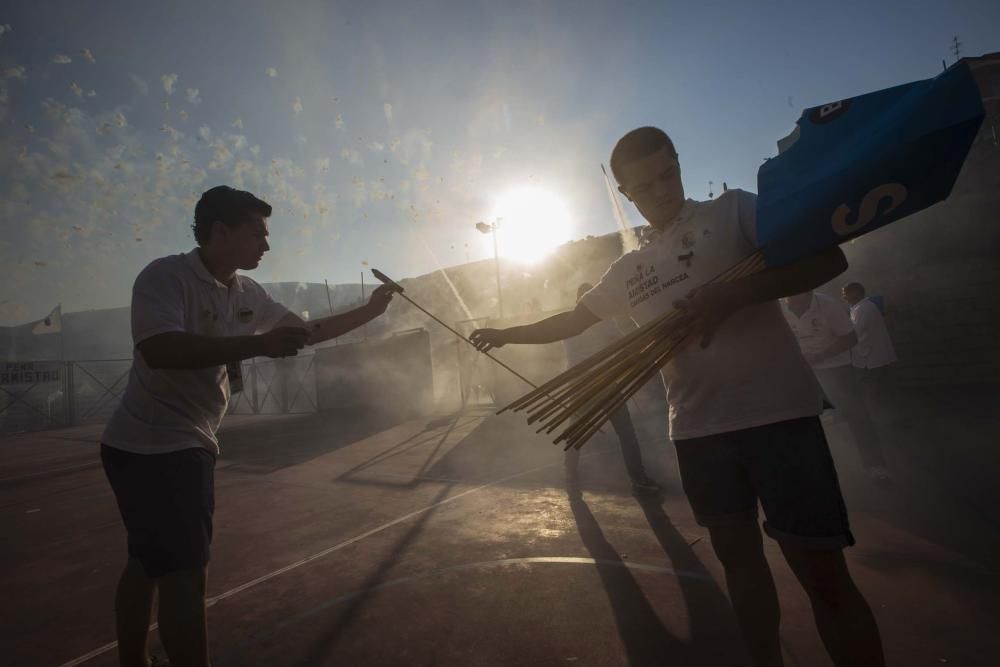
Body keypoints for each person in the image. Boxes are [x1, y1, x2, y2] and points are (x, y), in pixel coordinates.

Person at [471, 128, 883, 667]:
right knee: (741, 571)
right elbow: (572, 320)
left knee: (824, 576)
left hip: (780, 417)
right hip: (698, 431)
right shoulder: (629, 270)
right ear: (626, 194)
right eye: (645, 185)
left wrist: (734, 294)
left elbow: (829, 261)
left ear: (679, 165)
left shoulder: (734, 212)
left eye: (668, 174)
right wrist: (507, 333)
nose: (662, 191)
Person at [100, 186, 394, 667]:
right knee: (186, 575)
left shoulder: (247, 292)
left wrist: (371, 311)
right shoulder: (165, 276)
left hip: (153, 446)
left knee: (147, 563)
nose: (266, 245)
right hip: (160, 447)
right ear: (221, 231)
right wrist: (258, 346)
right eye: (257, 233)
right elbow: (161, 349)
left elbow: (303, 333)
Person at [562, 282, 661, 495]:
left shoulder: (569, 324)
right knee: (626, 433)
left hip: (580, 384)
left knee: (576, 432)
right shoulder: (604, 322)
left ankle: (570, 472)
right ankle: (638, 478)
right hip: (603, 383)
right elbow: (624, 345)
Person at [782, 292, 890, 480]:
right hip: (803, 371)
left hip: (836, 367)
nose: (791, 303)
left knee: (856, 414)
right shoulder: (779, 306)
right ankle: (812, 469)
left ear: (807, 292)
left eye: (795, 298)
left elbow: (850, 338)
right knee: (802, 417)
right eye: (788, 298)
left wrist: (819, 356)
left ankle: (875, 465)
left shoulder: (829, 305)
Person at [842, 282, 897, 404]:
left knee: (872, 391)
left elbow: (854, 333)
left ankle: (877, 416)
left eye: (846, 294)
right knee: (876, 390)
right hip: (872, 356)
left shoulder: (863, 308)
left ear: (856, 293)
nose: (844, 297)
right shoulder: (861, 307)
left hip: (870, 358)